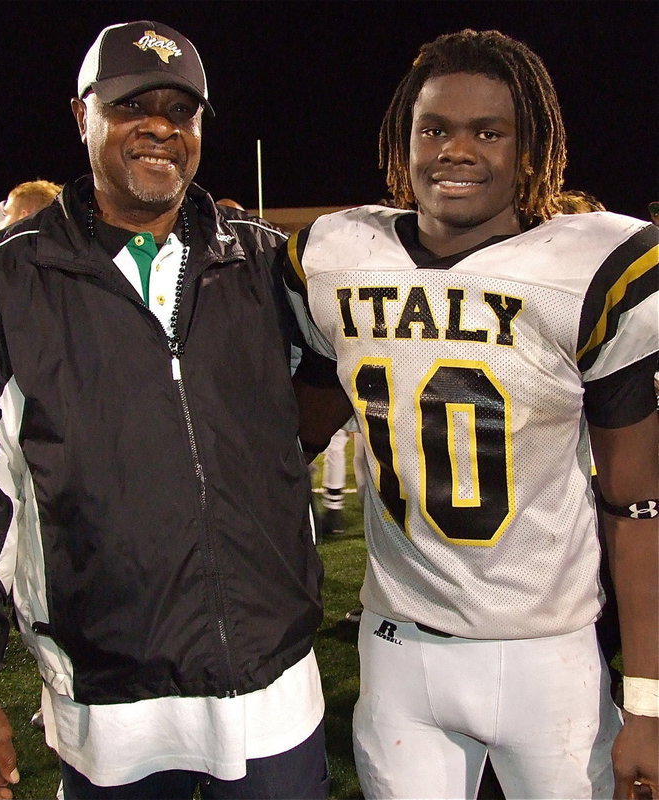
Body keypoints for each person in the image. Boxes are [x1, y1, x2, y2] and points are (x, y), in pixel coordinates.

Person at [0, 21, 328, 800]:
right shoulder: (5, 281)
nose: (160, 127)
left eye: (180, 111)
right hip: (111, 695)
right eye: (131, 106)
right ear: (81, 114)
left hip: (271, 686)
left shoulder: (259, 264)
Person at [282, 29, 658, 799]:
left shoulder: (587, 266)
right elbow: (293, 434)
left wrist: (648, 701)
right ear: (401, 139)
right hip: (398, 649)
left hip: (546, 653)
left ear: (528, 149)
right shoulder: (336, 257)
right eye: (433, 129)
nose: (455, 150)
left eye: (488, 131)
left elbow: (636, 503)